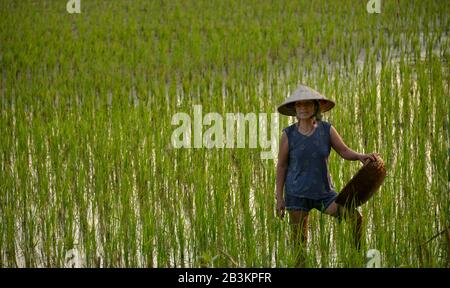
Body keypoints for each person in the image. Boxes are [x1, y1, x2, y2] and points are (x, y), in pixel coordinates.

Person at [275, 85, 379, 268]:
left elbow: (344, 151)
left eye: (307, 104)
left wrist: (361, 156)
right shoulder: (288, 134)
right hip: (296, 194)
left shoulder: (327, 130)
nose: (303, 108)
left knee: (355, 218)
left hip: (324, 193)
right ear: (294, 109)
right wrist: (279, 198)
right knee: (299, 248)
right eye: (299, 105)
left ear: (316, 106)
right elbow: (282, 166)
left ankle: (357, 257)